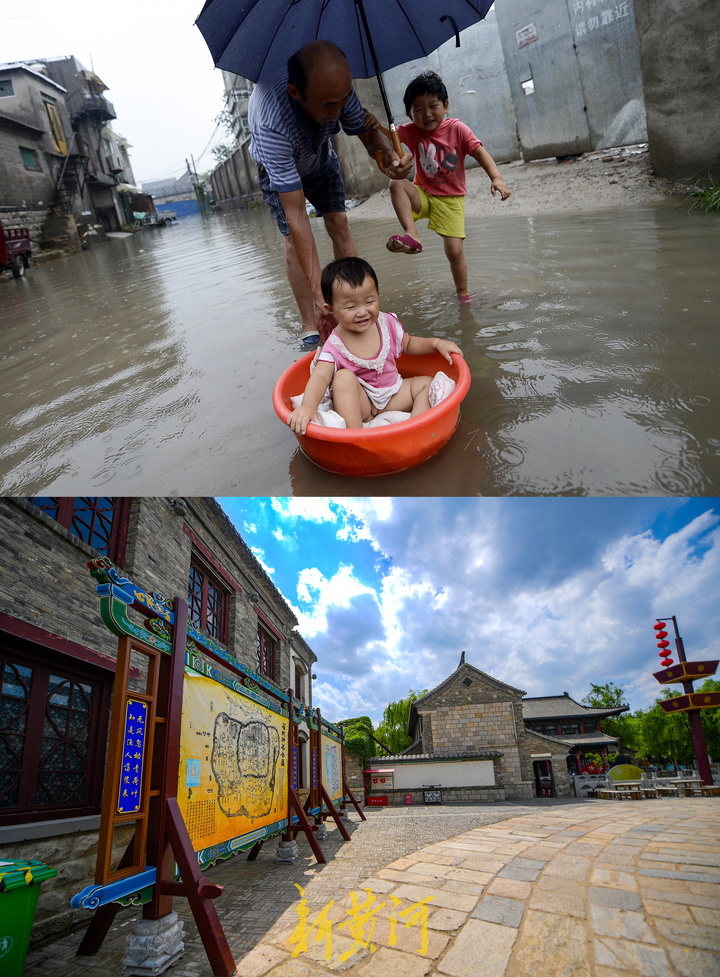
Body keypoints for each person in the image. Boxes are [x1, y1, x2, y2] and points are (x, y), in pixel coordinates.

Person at [248, 40, 413, 347]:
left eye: (342, 101)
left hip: (321, 159)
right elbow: (297, 216)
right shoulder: (272, 124)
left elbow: (366, 131)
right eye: (328, 106)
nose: (338, 111)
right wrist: (320, 298)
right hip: (279, 171)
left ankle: (356, 304)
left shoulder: (338, 93)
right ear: (296, 94)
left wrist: (389, 155)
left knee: (339, 222)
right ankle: (311, 323)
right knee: (292, 240)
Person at [376, 70, 511, 304]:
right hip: (424, 194)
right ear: (410, 113)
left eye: (433, 106)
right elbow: (386, 135)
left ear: (446, 105)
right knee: (396, 183)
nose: (426, 114)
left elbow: (479, 151)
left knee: (454, 251)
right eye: (418, 109)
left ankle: (462, 293)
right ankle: (412, 235)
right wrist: (370, 123)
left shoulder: (457, 129)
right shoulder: (410, 130)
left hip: (451, 200)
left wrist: (496, 177)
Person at [287, 256, 463, 433]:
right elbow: (320, 377)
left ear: (378, 296)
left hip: (394, 393)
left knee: (426, 384)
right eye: (350, 307)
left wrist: (436, 343)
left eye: (369, 302)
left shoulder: (386, 323)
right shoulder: (334, 345)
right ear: (331, 310)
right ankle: (357, 435)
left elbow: (408, 343)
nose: (362, 311)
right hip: (363, 404)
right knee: (342, 379)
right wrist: (309, 405)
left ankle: (416, 427)